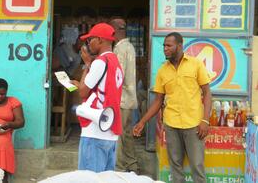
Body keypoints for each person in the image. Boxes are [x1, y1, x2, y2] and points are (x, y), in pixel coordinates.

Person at [133, 32, 212, 183]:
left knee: (197, 167)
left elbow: (207, 93)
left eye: (169, 45)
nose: (165, 49)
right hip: (171, 125)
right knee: (175, 167)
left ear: (180, 46)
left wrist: (205, 120)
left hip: (194, 125)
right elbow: (157, 101)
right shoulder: (162, 70)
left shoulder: (196, 64)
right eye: (164, 46)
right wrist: (142, 122)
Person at [71, 23, 124, 172]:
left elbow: (83, 92)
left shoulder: (100, 62)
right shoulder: (115, 62)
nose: (88, 44)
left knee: (89, 179)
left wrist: (87, 64)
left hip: (95, 132)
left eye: (90, 40)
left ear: (100, 40)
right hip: (110, 133)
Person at [110, 18, 138, 173]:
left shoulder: (120, 49)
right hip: (129, 99)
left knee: (119, 135)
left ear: (115, 31)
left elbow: (117, 76)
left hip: (121, 99)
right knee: (127, 134)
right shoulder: (130, 46)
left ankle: (119, 168)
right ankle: (132, 164)